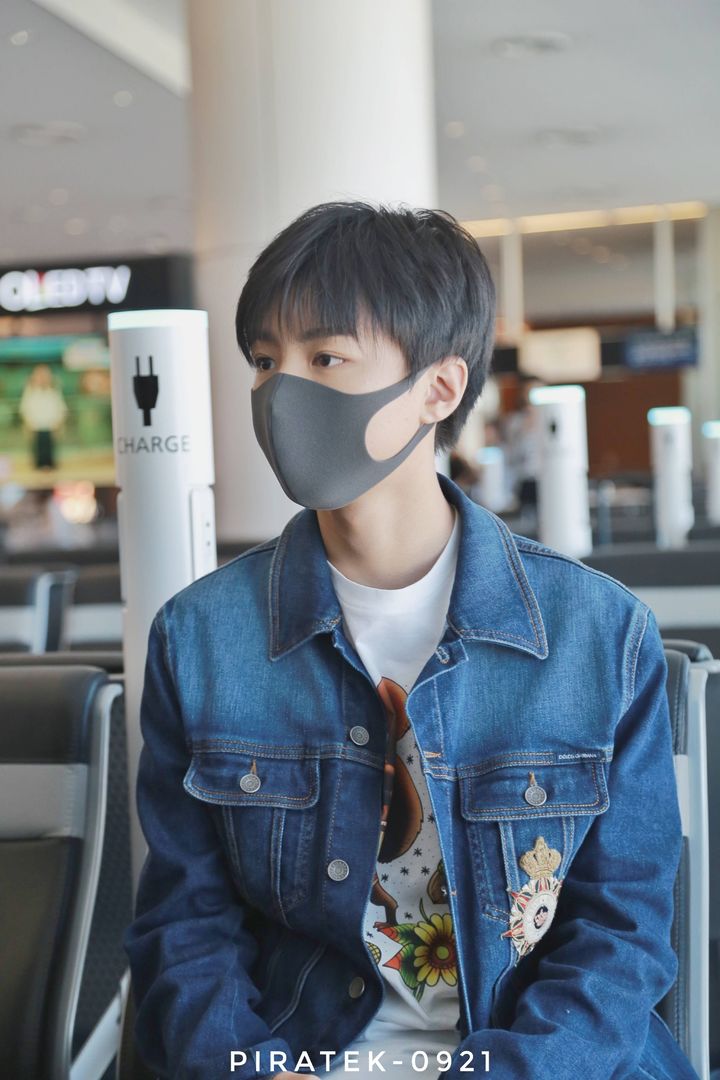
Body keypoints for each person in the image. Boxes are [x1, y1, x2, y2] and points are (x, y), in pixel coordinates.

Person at [124, 201, 699, 1080]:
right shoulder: (201, 638)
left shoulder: (597, 634)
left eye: (325, 358)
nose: (281, 392)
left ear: (439, 388)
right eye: (264, 361)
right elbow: (185, 928)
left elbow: (621, 937)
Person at [18, 362, 68, 471]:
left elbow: (61, 408)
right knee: (38, 449)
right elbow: (25, 409)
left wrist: (59, 423)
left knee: (50, 449)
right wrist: (27, 424)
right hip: (35, 426)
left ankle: (50, 466)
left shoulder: (54, 391)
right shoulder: (30, 392)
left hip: (51, 426)